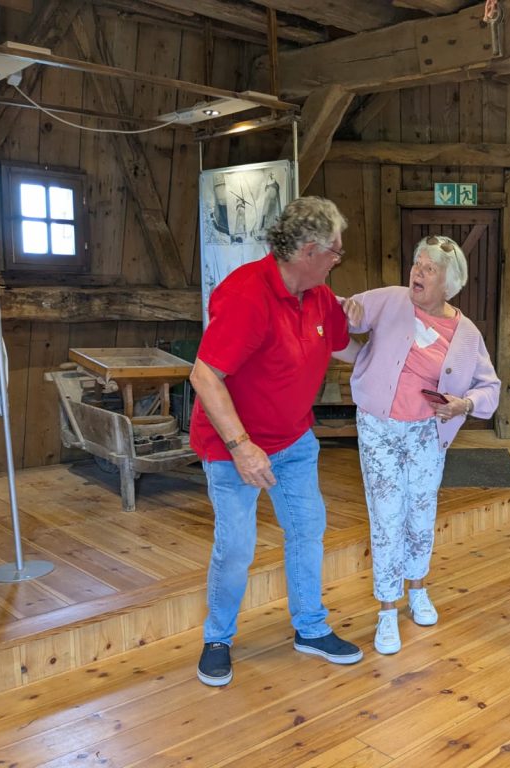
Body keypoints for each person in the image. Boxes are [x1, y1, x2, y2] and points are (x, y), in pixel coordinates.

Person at [189, 196, 363, 687]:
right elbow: (204, 376)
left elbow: (346, 348)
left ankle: (310, 627)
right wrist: (242, 447)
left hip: (294, 440)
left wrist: (403, 363)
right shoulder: (248, 294)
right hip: (233, 447)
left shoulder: (319, 296)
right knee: (236, 546)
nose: (337, 260)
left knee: (307, 529)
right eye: (335, 252)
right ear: (309, 251)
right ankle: (218, 638)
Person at [338, 234, 500, 656]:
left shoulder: (466, 334)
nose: (418, 273)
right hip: (379, 426)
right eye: (417, 265)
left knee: (421, 514)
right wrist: (349, 317)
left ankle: (418, 589)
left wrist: (464, 404)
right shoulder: (390, 300)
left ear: (450, 284)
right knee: (386, 515)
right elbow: (342, 313)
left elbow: (490, 387)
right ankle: (387, 609)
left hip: (428, 431)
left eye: (430, 269)